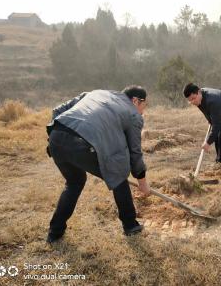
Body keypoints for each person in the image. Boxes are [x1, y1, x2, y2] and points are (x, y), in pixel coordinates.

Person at [45, 86, 150, 243]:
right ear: (135, 100)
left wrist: (56, 135)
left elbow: (57, 110)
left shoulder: (96, 93)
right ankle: (130, 226)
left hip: (56, 137)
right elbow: (135, 153)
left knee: (74, 182)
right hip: (83, 143)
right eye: (144, 105)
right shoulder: (133, 114)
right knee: (119, 174)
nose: (143, 110)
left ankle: (54, 233)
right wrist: (142, 182)